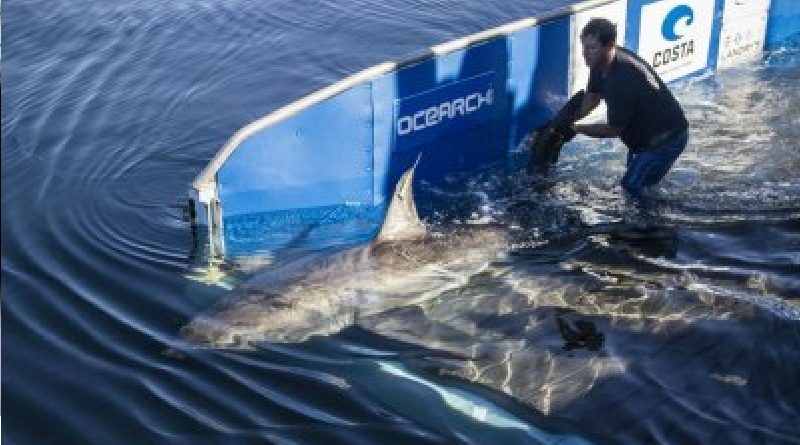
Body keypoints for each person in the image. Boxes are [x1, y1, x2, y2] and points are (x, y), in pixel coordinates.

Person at [529, 18, 689, 199]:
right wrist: (560, 127)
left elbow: (611, 130)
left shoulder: (621, 80)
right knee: (638, 184)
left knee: (630, 191)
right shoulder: (600, 63)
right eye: (584, 47)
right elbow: (591, 99)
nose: (585, 54)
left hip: (665, 141)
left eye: (591, 48)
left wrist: (577, 128)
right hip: (644, 138)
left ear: (610, 46)